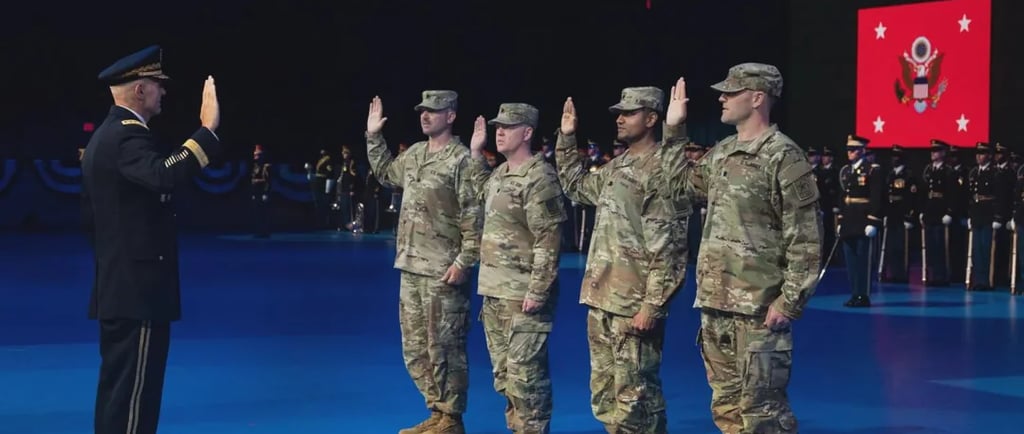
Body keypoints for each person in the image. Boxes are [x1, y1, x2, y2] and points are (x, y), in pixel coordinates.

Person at [80, 45, 222, 434]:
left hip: (121, 285)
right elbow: (162, 175)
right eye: (158, 86)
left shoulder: (109, 137)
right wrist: (206, 132)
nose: (164, 93)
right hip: (137, 291)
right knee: (133, 399)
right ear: (140, 90)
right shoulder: (125, 138)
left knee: (119, 393)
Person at [674, 64, 821, 433]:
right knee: (726, 409)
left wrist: (790, 301)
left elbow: (805, 238)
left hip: (758, 308)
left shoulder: (785, 157)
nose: (722, 98)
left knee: (764, 415)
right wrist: (674, 130)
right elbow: (677, 187)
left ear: (757, 98)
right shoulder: (722, 152)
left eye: (731, 92)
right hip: (716, 304)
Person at [556, 87, 690, 433]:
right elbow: (576, 186)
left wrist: (653, 304)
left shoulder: (661, 171)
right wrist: (567, 139)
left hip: (633, 303)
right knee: (606, 394)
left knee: (636, 396)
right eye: (619, 111)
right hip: (603, 295)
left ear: (651, 118)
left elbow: (669, 246)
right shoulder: (618, 166)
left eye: (629, 112)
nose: (619, 118)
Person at [365, 91, 483, 434]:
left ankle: (452, 417)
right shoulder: (415, 155)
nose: (425, 116)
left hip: (443, 270)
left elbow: (474, 216)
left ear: (451, 116)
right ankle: (437, 411)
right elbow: (387, 174)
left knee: (446, 346)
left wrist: (464, 261)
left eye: (434, 111)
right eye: (422, 111)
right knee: (416, 346)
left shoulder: (461, 160)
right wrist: (374, 136)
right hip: (411, 266)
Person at [464, 103, 566, 434]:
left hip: (523, 295)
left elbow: (548, 240)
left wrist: (538, 290)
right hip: (495, 290)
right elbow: (481, 189)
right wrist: (476, 152)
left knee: (527, 378)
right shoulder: (501, 173)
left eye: (509, 126)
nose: (500, 131)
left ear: (528, 132)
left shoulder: (540, 177)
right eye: (498, 126)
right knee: (505, 376)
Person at [837, 135, 884, 306]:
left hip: (864, 219)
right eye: (849, 150)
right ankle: (854, 293)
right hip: (849, 218)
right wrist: (841, 220)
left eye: (854, 149)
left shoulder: (872, 170)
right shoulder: (847, 171)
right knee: (851, 259)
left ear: (862, 151)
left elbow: (877, 197)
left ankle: (863, 295)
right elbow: (844, 196)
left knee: (863, 259)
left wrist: (873, 221)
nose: (850, 153)